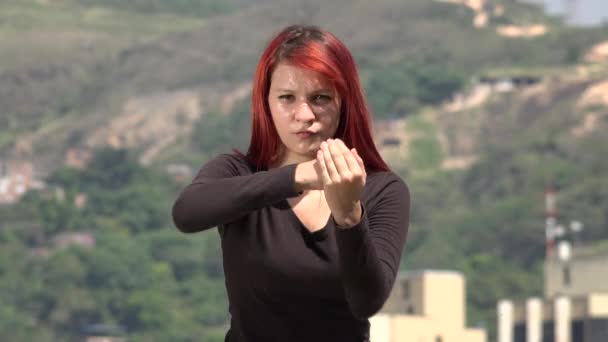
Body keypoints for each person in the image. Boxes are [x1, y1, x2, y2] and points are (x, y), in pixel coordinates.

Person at [172, 24, 410, 342]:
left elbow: (367, 300)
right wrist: (298, 176)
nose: (303, 114)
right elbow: (187, 212)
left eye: (320, 98)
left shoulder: (382, 190)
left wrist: (349, 216)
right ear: (266, 104)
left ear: (344, 102)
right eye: (287, 98)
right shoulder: (238, 171)